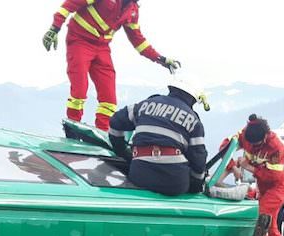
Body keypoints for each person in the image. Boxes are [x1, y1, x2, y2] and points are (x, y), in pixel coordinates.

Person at [44, 0, 181, 130]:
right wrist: (54, 29)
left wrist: (161, 59)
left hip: (102, 48)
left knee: (109, 100)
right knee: (79, 91)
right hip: (79, 41)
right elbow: (69, 5)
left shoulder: (132, 10)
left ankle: (102, 133)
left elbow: (139, 42)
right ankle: (72, 127)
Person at [108, 80, 209, 196]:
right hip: (174, 183)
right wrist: (196, 186)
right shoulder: (193, 121)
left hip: (138, 175)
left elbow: (115, 121)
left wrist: (121, 150)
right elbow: (198, 159)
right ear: (194, 98)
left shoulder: (144, 105)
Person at [222, 115, 284, 236]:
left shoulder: (277, 147)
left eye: (257, 144)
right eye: (250, 145)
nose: (253, 148)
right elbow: (225, 146)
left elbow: (273, 176)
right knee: (271, 227)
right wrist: (233, 166)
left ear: (266, 135)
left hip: (277, 188)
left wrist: (248, 167)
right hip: (261, 187)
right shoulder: (243, 134)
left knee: (260, 219)